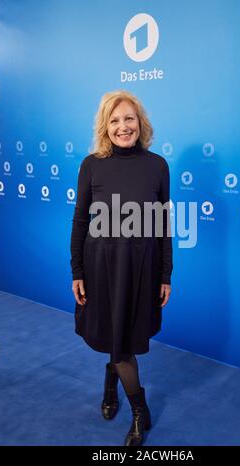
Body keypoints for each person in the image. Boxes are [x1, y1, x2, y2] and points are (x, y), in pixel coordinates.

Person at [70, 89, 173, 446]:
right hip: (100, 268)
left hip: (141, 270)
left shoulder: (158, 165)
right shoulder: (91, 164)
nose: (122, 126)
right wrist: (77, 271)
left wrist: (165, 275)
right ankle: (140, 411)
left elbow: (163, 227)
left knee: (124, 339)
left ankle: (112, 381)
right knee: (119, 342)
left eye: (129, 118)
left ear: (140, 123)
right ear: (105, 126)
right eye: (114, 120)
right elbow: (80, 221)